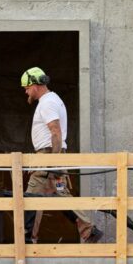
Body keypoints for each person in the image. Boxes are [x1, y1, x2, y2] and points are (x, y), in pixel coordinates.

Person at [22, 66, 103, 244]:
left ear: (35, 85)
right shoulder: (52, 100)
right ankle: (89, 231)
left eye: (27, 88)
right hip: (52, 157)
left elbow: (56, 132)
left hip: (48, 157)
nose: (26, 92)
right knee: (59, 195)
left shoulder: (47, 103)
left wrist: (52, 163)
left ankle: (26, 241)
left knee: (31, 198)